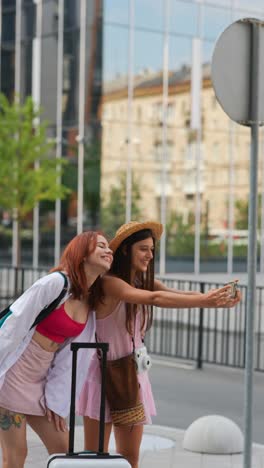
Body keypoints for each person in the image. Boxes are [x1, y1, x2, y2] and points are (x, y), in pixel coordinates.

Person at [77, 221, 241, 468]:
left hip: (132, 374)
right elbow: (156, 298)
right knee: (95, 457)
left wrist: (216, 297)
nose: (150, 255)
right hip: (102, 376)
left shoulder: (141, 280)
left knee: (130, 458)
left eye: (152, 250)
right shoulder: (110, 282)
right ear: (125, 250)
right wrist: (206, 301)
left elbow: (174, 293)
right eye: (143, 249)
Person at [0, 231, 113, 468]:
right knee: (16, 455)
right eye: (100, 246)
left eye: (109, 247)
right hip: (13, 374)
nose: (108, 250)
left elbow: (68, 358)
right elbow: (13, 322)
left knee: (63, 450)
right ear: (82, 253)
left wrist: (56, 399)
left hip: (40, 381)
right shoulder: (56, 283)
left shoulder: (89, 299)